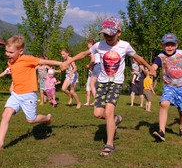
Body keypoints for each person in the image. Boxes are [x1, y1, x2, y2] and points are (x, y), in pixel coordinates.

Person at [61, 17, 155, 156]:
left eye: (111, 34)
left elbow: (138, 58)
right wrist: (69, 61)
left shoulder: (125, 45)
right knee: (98, 113)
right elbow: (84, 54)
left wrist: (149, 67)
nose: (108, 37)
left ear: (119, 33)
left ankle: (109, 144)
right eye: (105, 34)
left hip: (115, 83)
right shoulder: (99, 45)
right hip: (102, 82)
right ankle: (115, 120)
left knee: (109, 111)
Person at [0, 35, 64, 150]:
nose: (7, 54)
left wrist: (60, 63)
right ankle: (0, 143)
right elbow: (16, 75)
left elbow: (44, 61)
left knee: (31, 120)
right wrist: (12, 86)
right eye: (6, 51)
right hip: (15, 94)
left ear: (20, 51)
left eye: (10, 52)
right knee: (5, 115)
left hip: (28, 94)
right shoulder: (11, 62)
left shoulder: (27, 59)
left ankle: (47, 118)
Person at [152, 33, 182, 142]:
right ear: (162, 46)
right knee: (164, 103)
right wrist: (152, 69)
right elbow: (155, 65)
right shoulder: (160, 57)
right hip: (169, 85)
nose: (169, 47)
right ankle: (161, 131)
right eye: (167, 45)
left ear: (176, 45)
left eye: (172, 44)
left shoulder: (181, 54)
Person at [87, 38, 101, 103]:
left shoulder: (92, 50)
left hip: (97, 66)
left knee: (91, 84)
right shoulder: (98, 49)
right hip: (102, 66)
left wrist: (89, 65)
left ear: (90, 44)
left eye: (88, 44)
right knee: (98, 84)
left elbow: (93, 60)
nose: (87, 46)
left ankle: (97, 101)